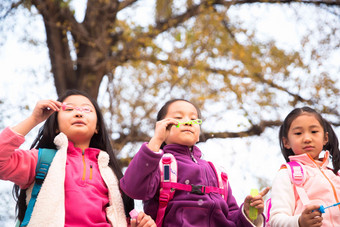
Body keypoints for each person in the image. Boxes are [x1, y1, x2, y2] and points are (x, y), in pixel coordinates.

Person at [0, 89, 155, 227]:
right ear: (55, 125)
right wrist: (33, 119)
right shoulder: (41, 160)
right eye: (69, 109)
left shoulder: (112, 176)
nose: (79, 113)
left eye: (87, 109)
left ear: (97, 127)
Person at [120, 99, 269, 227]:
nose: (188, 122)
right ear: (162, 127)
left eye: (194, 119)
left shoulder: (218, 173)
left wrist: (248, 214)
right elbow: (133, 188)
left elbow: (232, 218)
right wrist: (156, 141)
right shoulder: (158, 164)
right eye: (178, 117)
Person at [269, 106, 340, 227]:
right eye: (298, 133)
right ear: (286, 142)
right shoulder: (287, 174)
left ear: (325, 138)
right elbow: (276, 219)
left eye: (314, 132)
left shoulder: (336, 175)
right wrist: (299, 222)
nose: (307, 138)